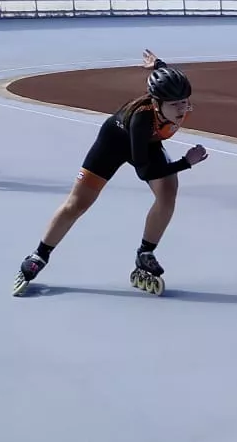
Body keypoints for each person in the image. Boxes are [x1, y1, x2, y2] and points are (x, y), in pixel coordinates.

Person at [12, 54, 206, 296]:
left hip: (149, 144)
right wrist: (186, 162)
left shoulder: (174, 102)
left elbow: (169, 79)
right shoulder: (141, 119)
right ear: (157, 103)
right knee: (78, 203)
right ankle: (39, 255)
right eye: (175, 104)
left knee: (168, 193)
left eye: (184, 102)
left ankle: (145, 253)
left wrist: (158, 65)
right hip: (114, 143)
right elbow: (145, 171)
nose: (182, 108)